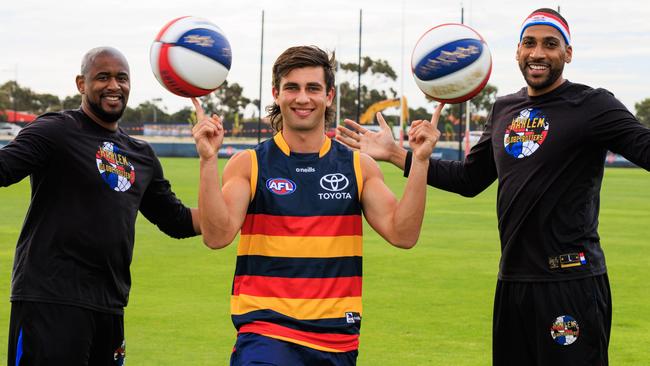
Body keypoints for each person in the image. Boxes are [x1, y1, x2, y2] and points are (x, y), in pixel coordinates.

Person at [337, 8, 650, 366]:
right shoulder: (504, 109)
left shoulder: (593, 105)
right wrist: (399, 155)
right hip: (513, 281)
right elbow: (469, 180)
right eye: (529, 43)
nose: (538, 53)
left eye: (551, 44)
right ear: (517, 51)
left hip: (570, 281)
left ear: (568, 53)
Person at [191, 45, 440, 365]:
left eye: (313, 88)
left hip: (337, 340)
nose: (303, 98)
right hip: (267, 334)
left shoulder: (358, 167)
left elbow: (403, 234)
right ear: (276, 94)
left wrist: (419, 162)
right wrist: (207, 160)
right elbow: (216, 236)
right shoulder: (249, 164)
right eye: (292, 87)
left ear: (329, 95)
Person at [0, 47, 200, 365]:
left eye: (122, 78)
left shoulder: (140, 155)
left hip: (109, 305)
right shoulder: (56, 130)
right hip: (50, 302)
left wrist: (232, 203)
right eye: (102, 77)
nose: (114, 86)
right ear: (81, 83)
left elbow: (176, 220)